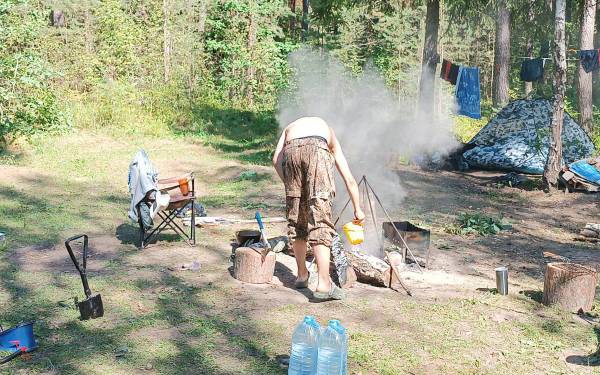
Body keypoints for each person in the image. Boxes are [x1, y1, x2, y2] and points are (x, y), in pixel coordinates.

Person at [272, 116, 365, 300]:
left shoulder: (290, 127)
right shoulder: (328, 133)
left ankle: (301, 275)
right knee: (320, 218)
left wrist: (292, 189)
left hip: (290, 152)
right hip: (317, 151)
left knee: (297, 220)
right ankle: (324, 283)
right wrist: (358, 210)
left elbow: (276, 159)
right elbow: (350, 179)